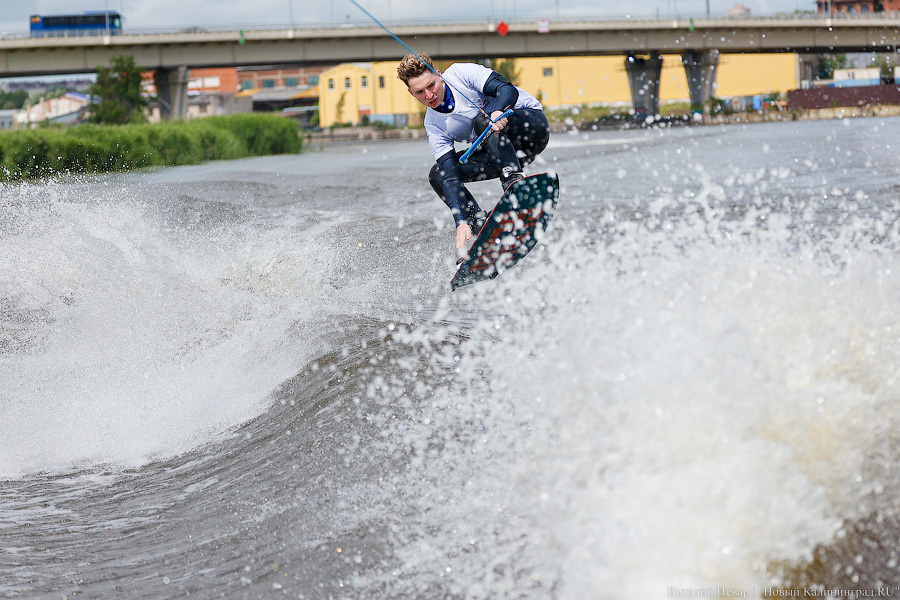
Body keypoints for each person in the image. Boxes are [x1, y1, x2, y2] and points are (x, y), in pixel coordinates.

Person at [397, 53, 551, 257]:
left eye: (431, 85)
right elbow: (450, 175)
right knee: (438, 175)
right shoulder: (433, 125)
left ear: (439, 75)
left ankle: (515, 185)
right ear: (411, 93)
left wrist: (498, 111)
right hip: (504, 154)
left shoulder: (460, 73)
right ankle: (480, 225)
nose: (429, 95)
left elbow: (507, 89)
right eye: (420, 92)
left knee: (482, 121)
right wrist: (460, 220)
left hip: (531, 128)